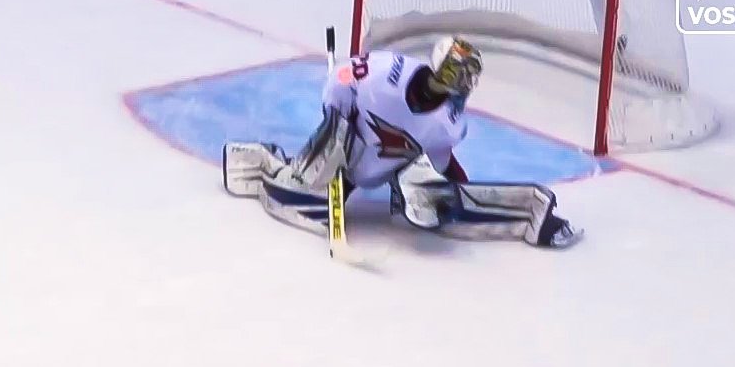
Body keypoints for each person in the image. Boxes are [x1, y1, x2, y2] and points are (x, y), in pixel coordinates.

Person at [225, 35, 581, 248]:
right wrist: (336, 120)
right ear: (441, 70)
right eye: (458, 74)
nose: (464, 84)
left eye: (469, 77)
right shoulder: (387, 71)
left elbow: (443, 165)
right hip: (349, 154)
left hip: (395, 170)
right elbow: (342, 78)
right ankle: (254, 163)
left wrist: (458, 194)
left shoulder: (449, 123)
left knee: (443, 205)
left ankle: (536, 219)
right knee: (301, 202)